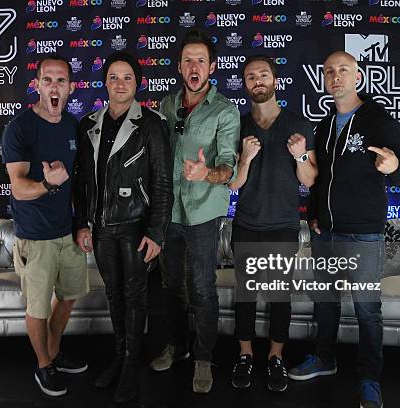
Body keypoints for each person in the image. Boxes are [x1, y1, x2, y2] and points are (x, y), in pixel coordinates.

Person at [288, 51, 400, 408]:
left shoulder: (377, 118)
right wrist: (314, 214)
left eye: (343, 70)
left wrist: (392, 166)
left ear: (357, 77)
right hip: (326, 231)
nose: (336, 76)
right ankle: (324, 358)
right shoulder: (325, 123)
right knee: (326, 303)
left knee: (366, 310)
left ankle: (369, 379)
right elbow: (321, 180)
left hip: (363, 232)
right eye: (329, 71)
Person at [73, 52, 173, 403]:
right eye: (113, 77)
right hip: (100, 228)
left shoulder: (152, 124)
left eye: (127, 77)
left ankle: (132, 362)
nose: (119, 84)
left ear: (137, 82)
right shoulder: (88, 124)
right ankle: (120, 355)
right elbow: (82, 182)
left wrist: (157, 231)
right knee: (114, 295)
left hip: (135, 227)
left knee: (135, 296)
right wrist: (81, 224)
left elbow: (162, 183)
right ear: (104, 82)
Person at [149, 28, 240, 394]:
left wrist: (208, 173)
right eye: (188, 60)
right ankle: (178, 346)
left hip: (203, 213)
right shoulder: (166, 106)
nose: (194, 66)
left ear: (212, 67)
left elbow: (229, 168)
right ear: (180, 67)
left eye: (201, 60)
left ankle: (203, 358)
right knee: (171, 286)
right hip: (169, 214)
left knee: (202, 289)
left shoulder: (225, 111)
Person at [228, 55, 318, 392]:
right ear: (245, 85)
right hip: (247, 223)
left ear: (275, 80)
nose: (257, 81)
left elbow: (309, 181)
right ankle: (246, 355)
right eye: (250, 77)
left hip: (283, 224)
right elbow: (233, 185)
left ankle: (275, 357)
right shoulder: (236, 126)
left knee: (280, 296)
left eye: (263, 74)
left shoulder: (299, 125)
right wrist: (246, 160)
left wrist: (299, 155)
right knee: (246, 295)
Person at [1, 54, 89, 397]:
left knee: (68, 297)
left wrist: (80, 224)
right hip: (35, 237)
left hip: (66, 231)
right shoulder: (20, 128)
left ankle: (53, 351)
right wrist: (49, 184)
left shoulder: (70, 125)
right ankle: (43, 365)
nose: (54, 86)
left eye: (61, 81)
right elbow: (19, 189)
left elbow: (78, 183)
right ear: (37, 85)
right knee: (37, 307)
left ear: (71, 88)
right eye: (48, 80)